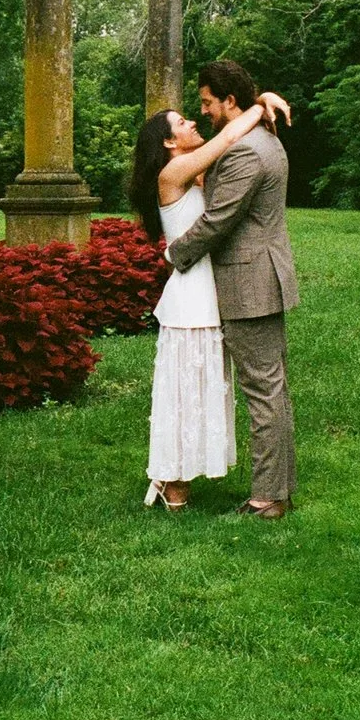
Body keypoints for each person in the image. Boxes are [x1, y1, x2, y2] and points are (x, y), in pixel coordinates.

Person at [126, 84, 292, 510]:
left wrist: (258, 101)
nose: (193, 120)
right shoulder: (173, 173)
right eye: (182, 122)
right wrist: (262, 104)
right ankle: (171, 481)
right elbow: (228, 138)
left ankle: (178, 484)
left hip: (209, 293)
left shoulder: (195, 171)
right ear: (168, 142)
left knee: (202, 391)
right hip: (189, 297)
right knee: (183, 392)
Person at [163, 59, 301, 518]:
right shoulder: (264, 137)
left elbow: (219, 218)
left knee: (263, 391)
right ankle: (276, 489)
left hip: (250, 281)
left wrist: (175, 253)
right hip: (262, 275)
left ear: (230, 102)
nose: (202, 111)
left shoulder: (245, 151)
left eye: (206, 102)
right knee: (270, 388)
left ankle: (268, 498)